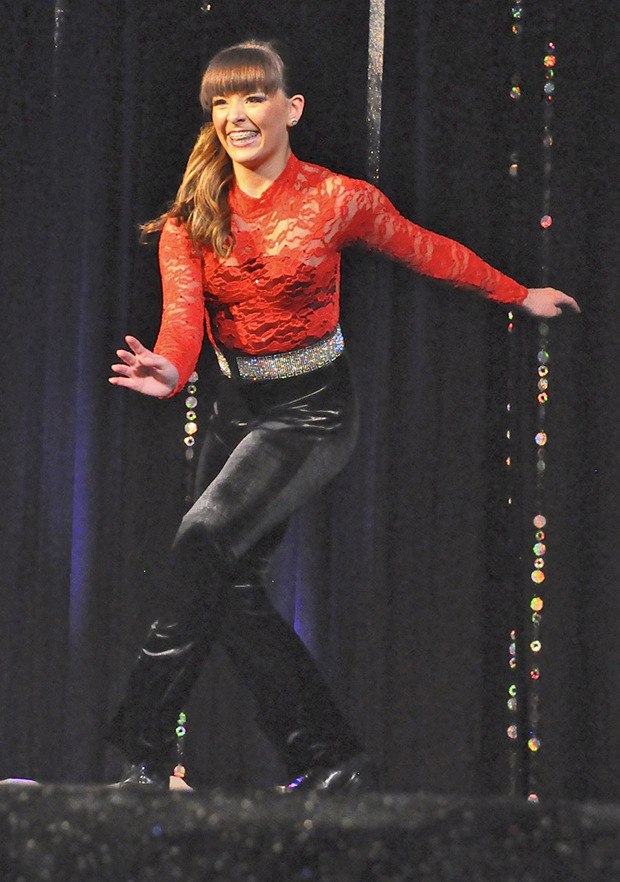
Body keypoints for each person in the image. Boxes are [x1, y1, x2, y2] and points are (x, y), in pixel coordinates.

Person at [107, 40, 580, 793]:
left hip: (312, 414)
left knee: (201, 541)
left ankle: (142, 754)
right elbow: (181, 325)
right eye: (223, 101)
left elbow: (426, 250)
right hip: (237, 413)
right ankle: (326, 759)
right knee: (224, 586)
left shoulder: (336, 200)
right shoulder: (191, 221)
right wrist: (167, 374)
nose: (237, 114)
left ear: (289, 109)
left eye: (254, 96)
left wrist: (518, 293)